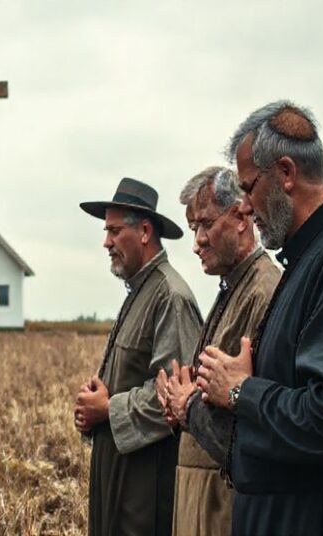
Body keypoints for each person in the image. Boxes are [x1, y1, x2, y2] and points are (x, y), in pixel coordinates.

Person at [196, 101, 323, 535]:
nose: (247, 208)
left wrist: (241, 392)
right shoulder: (310, 261)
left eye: (249, 188)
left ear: (286, 174)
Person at [155, 166, 280, 536]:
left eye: (205, 224)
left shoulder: (263, 290)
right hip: (202, 493)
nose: (197, 241)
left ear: (242, 215)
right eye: (193, 227)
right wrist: (178, 400)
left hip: (225, 503)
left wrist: (188, 402)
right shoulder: (233, 285)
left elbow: (254, 418)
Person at [75, 177, 202, 536]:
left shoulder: (170, 296)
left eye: (114, 231)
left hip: (146, 495)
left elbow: (174, 397)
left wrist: (107, 409)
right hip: (121, 485)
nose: (106, 242)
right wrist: (93, 408)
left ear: (144, 231)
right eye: (106, 231)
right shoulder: (140, 289)